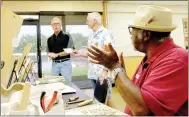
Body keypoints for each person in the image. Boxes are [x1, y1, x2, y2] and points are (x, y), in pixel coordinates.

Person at [87, 5, 188, 116]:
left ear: (145, 35)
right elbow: (138, 95)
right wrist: (121, 74)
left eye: (132, 30)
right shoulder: (150, 58)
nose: (131, 36)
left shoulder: (176, 60)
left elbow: (142, 110)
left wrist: (114, 67)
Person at [47, 17, 75, 81]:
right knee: (55, 84)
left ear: (61, 25)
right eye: (54, 24)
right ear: (51, 26)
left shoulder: (67, 36)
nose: (56, 25)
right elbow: (48, 52)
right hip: (54, 64)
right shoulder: (49, 39)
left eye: (57, 23)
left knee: (67, 84)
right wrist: (50, 55)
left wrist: (57, 55)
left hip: (65, 64)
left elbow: (70, 50)